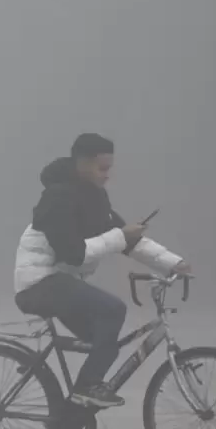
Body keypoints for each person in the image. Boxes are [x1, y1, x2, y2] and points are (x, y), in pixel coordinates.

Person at [14, 133, 190, 411]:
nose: (108, 175)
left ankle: (72, 419)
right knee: (113, 311)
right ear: (82, 163)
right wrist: (121, 235)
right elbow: (74, 253)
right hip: (38, 283)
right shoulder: (57, 198)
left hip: (60, 282)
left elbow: (129, 240)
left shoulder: (93, 198)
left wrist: (173, 263)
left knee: (105, 340)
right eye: (103, 168)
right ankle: (86, 388)